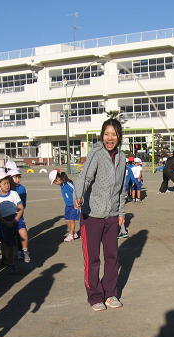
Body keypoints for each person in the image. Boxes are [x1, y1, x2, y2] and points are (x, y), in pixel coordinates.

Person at [73, 119, 127, 312]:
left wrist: (121, 212)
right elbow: (85, 177)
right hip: (92, 215)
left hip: (112, 215)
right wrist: (78, 195)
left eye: (113, 134)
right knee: (93, 258)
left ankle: (110, 293)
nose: (109, 138)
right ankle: (95, 296)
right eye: (106, 134)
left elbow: (121, 188)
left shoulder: (122, 157)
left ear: (119, 136)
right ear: (102, 135)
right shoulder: (96, 153)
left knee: (113, 257)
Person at [0, 169, 23, 273]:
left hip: (13, 221)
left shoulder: (14, 194)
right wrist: (4, 222)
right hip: (2, 223)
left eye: (8, 183)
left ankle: (12, 263)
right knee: (4, 243)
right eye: (4, 184)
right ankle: (5, 260)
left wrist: (15, 220)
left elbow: (20, 207)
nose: (7, 185)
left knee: (12, 244)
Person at [50, 169, 80, 242]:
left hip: (74, 205)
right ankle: (73, 233)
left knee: (71, 220)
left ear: (58, 178)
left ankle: (71, 235)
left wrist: (78, 201)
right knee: (67, 219)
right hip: (68, 205)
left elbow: (77, 191)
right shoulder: (62, 185)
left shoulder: (68, 184)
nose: (55, 183)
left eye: (55, 182)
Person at [10, 169, 31, 263]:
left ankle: (25, 251)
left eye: (19, 177)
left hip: (18, 215)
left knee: (23, 232)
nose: (18, 179)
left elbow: (23, 205)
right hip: (8, 216)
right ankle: (15, 252)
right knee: (12, 235)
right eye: (15, 177)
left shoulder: (22, 188)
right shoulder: (7, 188)